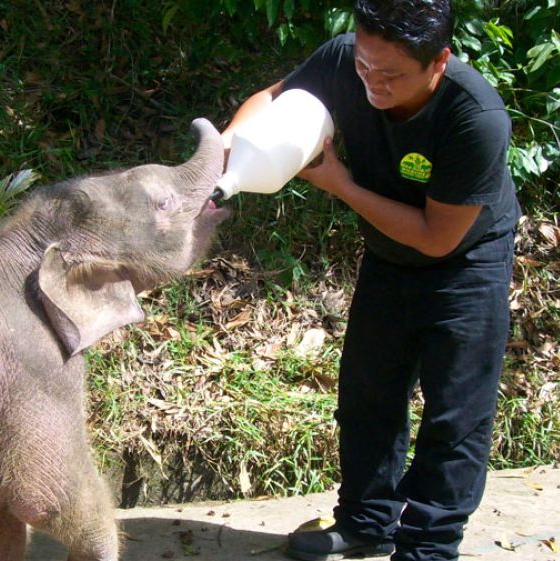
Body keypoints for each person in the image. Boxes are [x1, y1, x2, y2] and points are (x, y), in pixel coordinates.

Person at [220, 1, 521, 560]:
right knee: (368, 397)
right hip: (388, 256)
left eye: (391, 75)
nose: (373, 83)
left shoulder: (474, 116)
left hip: (464, 264)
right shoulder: (345, 59)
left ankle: (427, 548)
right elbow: (271, 100)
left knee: (455, 417)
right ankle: (365, 523)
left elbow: (436, 236)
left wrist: (340, 184)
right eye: (365, 68)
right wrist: (228, 144)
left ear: (439, 62)